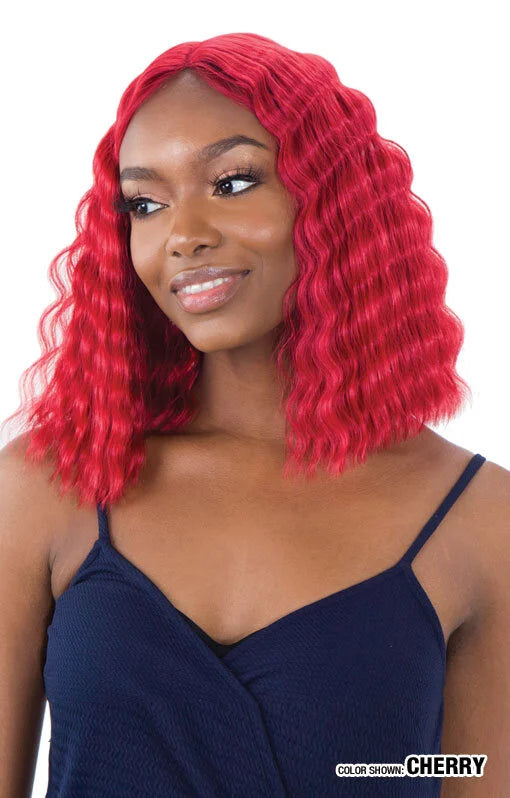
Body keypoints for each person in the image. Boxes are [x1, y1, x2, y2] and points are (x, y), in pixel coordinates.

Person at [0, 32, 508, 798]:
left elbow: (468, 774)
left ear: (334, 202)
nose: (183, 236)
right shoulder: (50, 484)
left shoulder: (481, 520)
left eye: (232, 183)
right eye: (145, 204)